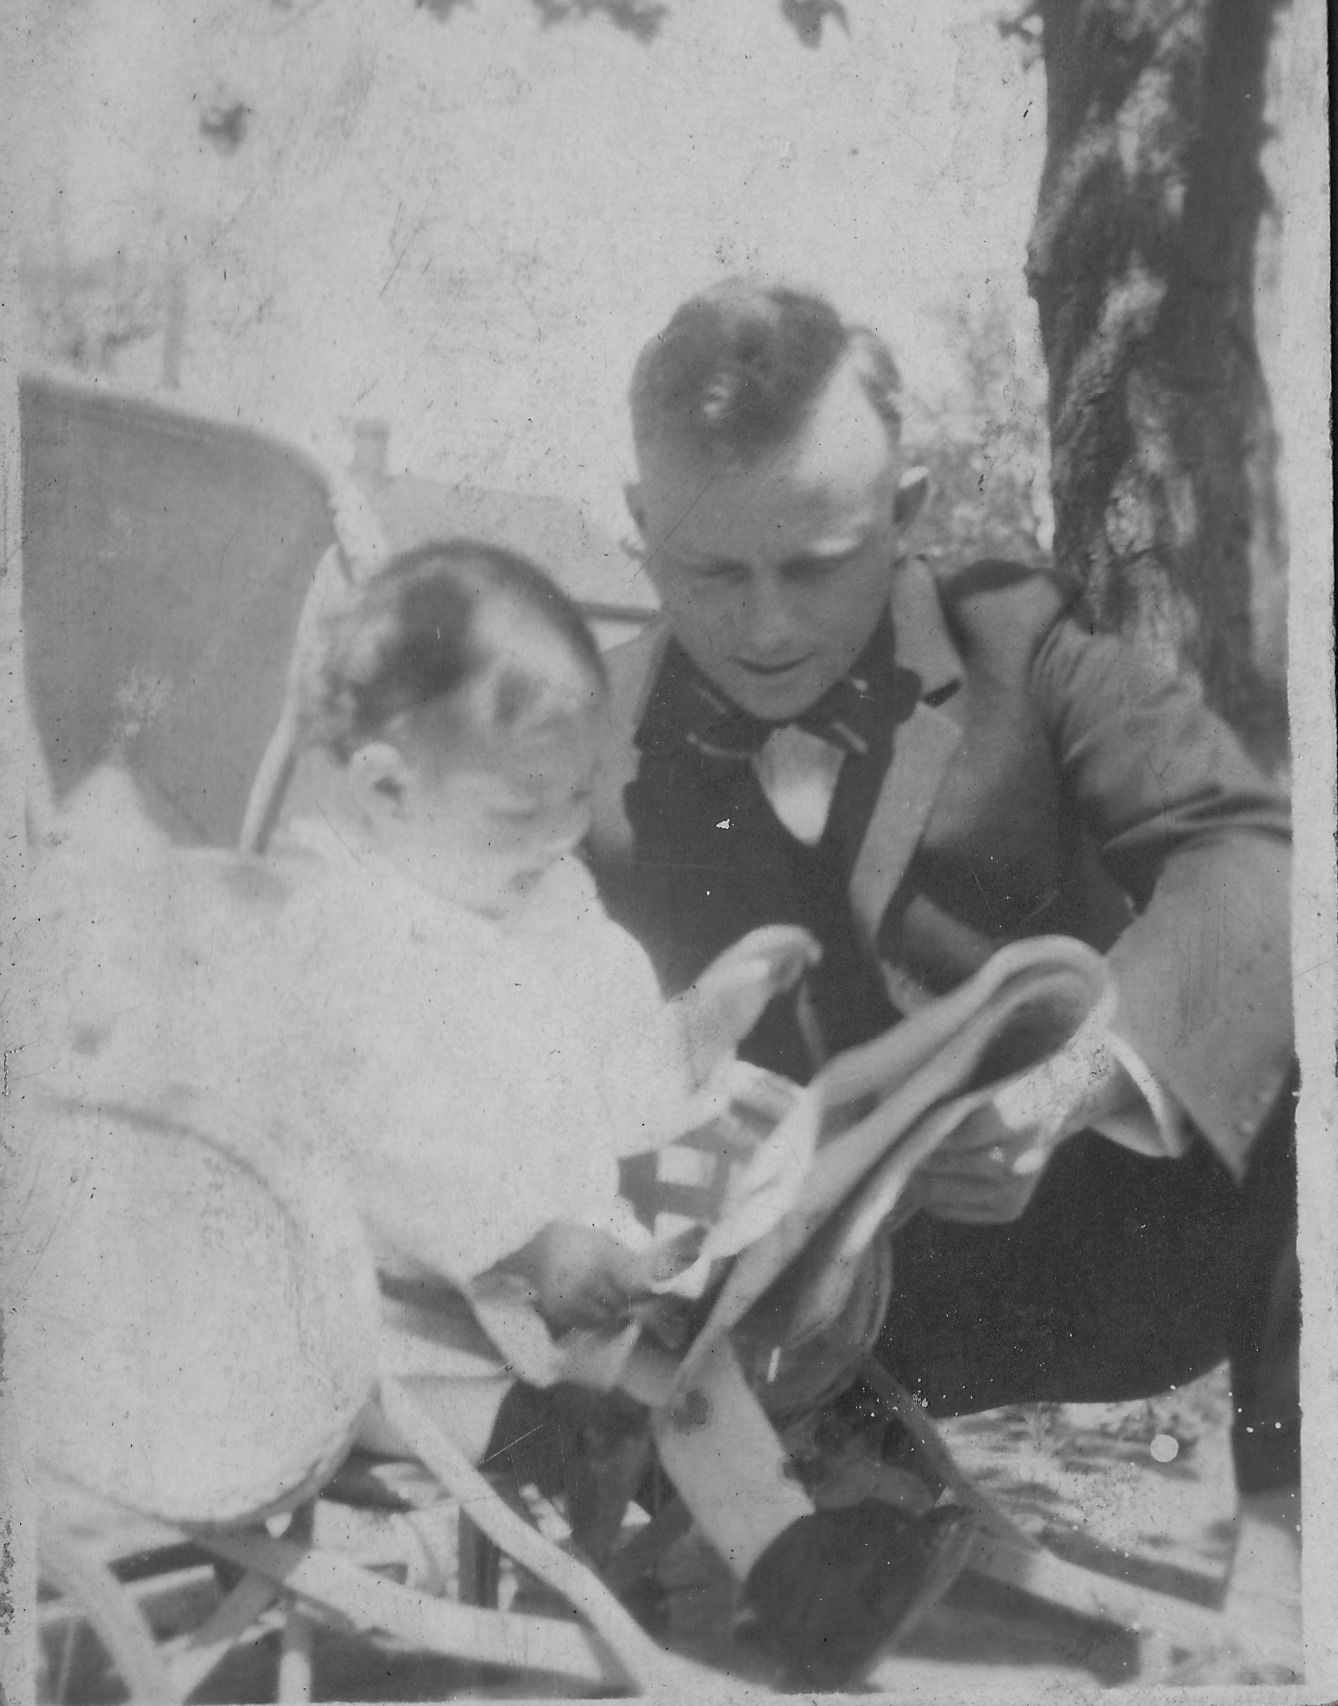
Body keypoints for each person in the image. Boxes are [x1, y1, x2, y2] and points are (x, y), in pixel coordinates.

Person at [587, 278, 1297, 1500]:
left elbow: (1256, 860)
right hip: (774, 1334)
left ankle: (1297, 1550)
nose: (765, 628)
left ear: (905, 513)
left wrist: (1071, 1089)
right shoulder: (577, 741)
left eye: (816, 566)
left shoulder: (1018, 641)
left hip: (1085, 1261)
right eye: (708, 572)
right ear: (641, 524)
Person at [265, 537, 969, 1687]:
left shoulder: (533, 896)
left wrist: (704, 1026)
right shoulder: (352, 933)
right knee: (657, 1367)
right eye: (522, 807)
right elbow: (389, 1147)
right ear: (389, 791)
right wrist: (528, 1243)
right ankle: (793, 1565)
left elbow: (612, 1068)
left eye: (576, 799)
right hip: (416, 1325)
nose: (558, 836)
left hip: (575, 1262)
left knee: (750, 1138)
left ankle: (794, 1503)